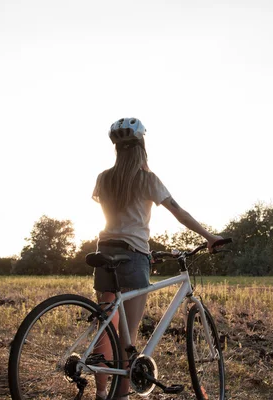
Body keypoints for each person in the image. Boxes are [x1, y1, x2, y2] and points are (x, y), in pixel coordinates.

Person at [91, 117, 223, 400]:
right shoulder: (148, 180)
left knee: (107, 328)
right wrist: (209, 237)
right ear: (142, 147)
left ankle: (101, 392)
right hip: (134, 256)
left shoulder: (104, 178)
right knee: (129, 337)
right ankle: (122, 396)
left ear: (117, 149)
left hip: (104, 252)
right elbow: (180, 213)